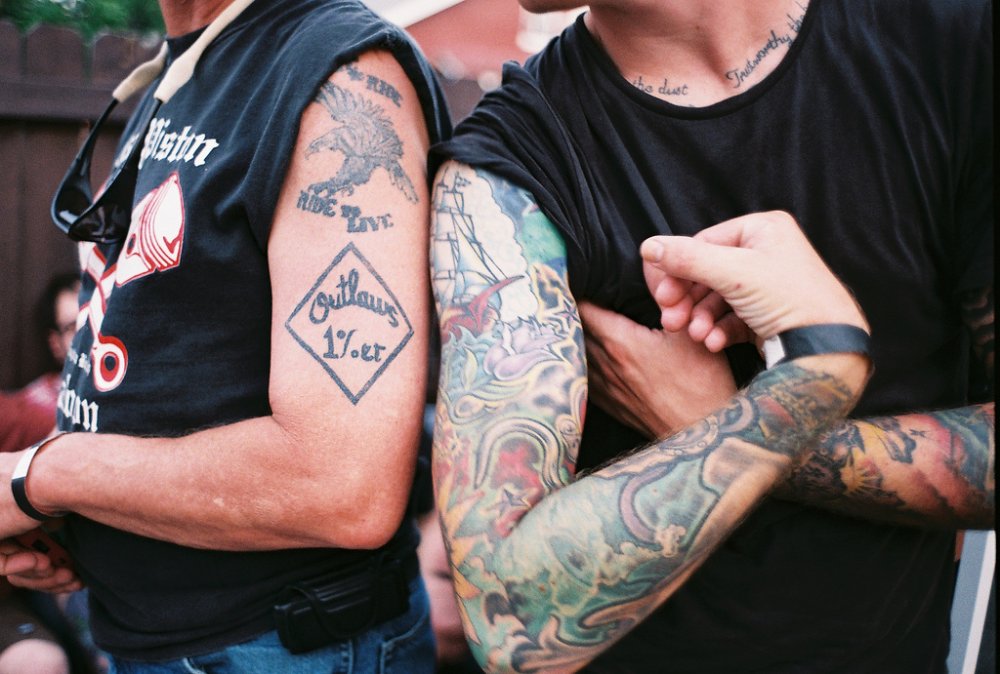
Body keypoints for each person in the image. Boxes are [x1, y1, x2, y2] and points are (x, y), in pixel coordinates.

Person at [427, 0, 993, 672]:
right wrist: (816, 372)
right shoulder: (502, 177)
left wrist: (726, 424)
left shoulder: (953, 44)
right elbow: (509, 622)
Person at [1, 0, 451, 671]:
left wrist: (44, 476)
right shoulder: (184, 67)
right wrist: (89, 519)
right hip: (149, 635)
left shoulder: (335, 71)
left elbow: (342, 485)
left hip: (277, 646)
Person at [0, 273, 80, 455]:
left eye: (96, 320)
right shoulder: (31, 408)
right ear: (55, 343)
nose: (92, 335)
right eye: (74, 327)